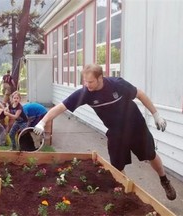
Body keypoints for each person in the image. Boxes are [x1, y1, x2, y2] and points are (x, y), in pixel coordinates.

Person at [34, 63, 176, 201]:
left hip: (136, 126)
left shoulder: (117, 84)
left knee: (150, 155)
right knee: (117, 166)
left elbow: (140, 94)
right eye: (85, 81)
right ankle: (126, 194)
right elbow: (60, 107)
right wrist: (42, 122)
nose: (87, 85)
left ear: (100, 77)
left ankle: (164, 180)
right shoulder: (85, 93)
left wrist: (156, 115)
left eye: (90, 82)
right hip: (116, 131)